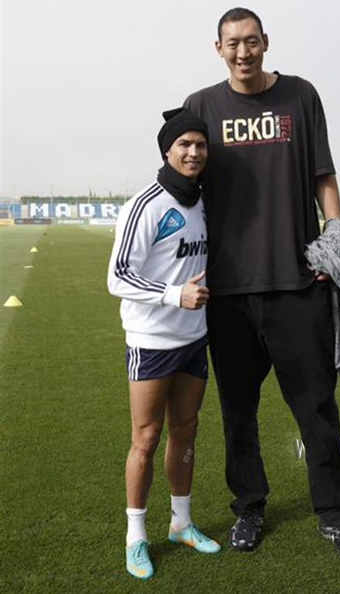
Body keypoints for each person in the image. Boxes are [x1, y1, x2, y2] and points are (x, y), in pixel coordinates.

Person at [184, 8, 340, 560]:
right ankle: (249, 510)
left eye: (252, 42)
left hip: (296, 284)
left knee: (317, 409)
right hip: (229, 294)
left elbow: (322, 175)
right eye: (233, 43)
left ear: (266, 43)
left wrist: (336, 238)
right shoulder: (201, 106)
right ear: (218, 48)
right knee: (238, 412)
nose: (243, 52)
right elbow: (183, 180)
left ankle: (334, 515)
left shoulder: (301, 96)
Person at [107, 108, 221, 580]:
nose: (193, 152)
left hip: (194, 340)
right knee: (146, 438)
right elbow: (118, 276)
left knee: (187, 430)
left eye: (200, 145)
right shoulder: (147, 204)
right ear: (167, 150)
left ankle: (181, 523)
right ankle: (136, 537)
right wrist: (175, 295)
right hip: (152, 340)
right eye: (184, 145)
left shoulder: (204, 202)